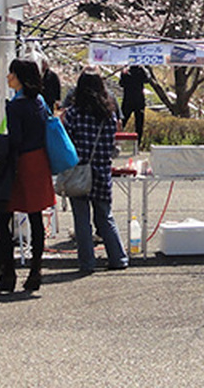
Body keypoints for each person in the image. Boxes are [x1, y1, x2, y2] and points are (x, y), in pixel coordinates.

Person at [0, 59, 56, 293]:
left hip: (19, 165)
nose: (8, 77)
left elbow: (15, 140)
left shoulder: (16, 106)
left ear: (20, 77)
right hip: (39, 161)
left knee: (2, 217)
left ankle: (8, 273)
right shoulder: (39, 102)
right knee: (35, 216)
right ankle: (35, 270)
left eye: (12, 73)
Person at [62, 67, 128, 273]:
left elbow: (67, 144)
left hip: (79, 172)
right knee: (105, 217)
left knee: (82, 220)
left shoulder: (73, 114)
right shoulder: (109, 114)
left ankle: (87, 263)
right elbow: (112, 144)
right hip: (102, 171)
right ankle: (118, 258)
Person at [120, 65, 148, 145]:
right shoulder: (141, 72)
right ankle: (138, 143)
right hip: (139, 100)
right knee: (139, 124)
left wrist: (123, 73)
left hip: (128, 100)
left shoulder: (126, 73)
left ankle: (116, 141)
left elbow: (121, 83)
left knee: (122, 121)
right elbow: (147, 79)